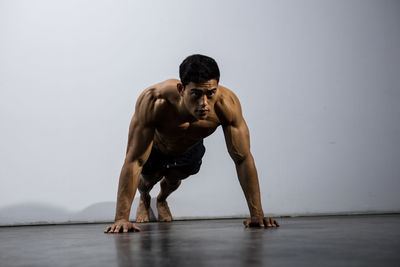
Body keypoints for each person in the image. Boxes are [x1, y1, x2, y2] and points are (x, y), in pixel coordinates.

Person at [104, 54, 279, 233]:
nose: (204, 103)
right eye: (196, 93)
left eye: (210, 93)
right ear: (181, 89)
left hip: (189, 148)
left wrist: (257, 214)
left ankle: (162, 199)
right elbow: (134, 160)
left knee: (173, 180)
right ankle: (144, 197)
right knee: (147, 180)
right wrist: (121, 218)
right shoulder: (154, 100)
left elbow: (242, 158)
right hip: (157, 147)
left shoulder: (227, 104)